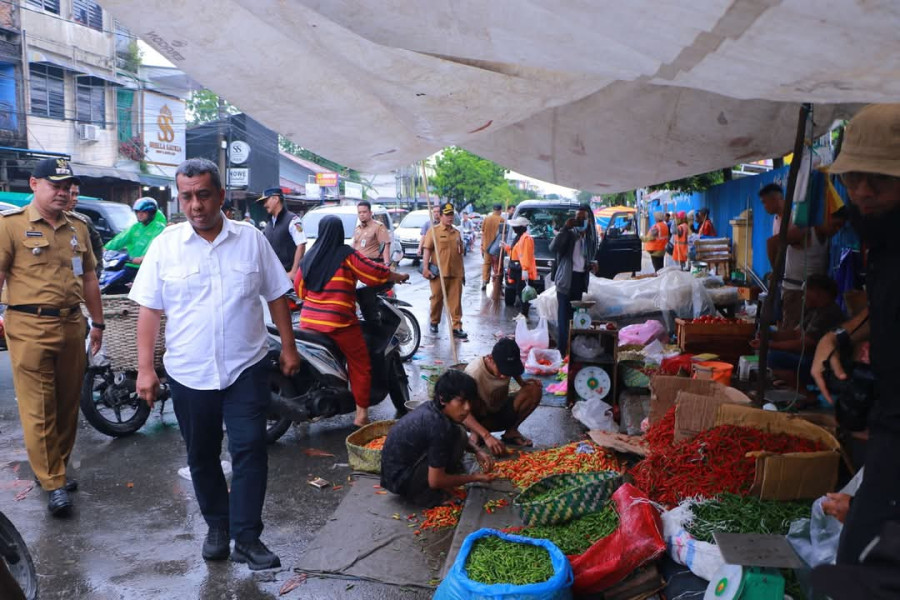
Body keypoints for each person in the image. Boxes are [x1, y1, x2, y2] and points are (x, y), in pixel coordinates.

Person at [131, 158, 301, 570]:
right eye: (186, 196)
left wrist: (290, 347)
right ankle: (218, 528)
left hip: (245, 368)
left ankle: (247, 537)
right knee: (202, 456)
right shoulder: (165, 246)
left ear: (221, 196)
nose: (195, 205)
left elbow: (277, 294)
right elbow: (149, 311)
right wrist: (145, 368)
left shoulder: (251, 240)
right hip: (189, 373)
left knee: (249, 450)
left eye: (203, 195)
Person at [810, 103, 900, 567]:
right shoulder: (882, 241)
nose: (863, 191)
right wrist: (839, 336)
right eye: (853, 177)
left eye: (880, 179)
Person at [0, 158, 104, 516]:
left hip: (72, 323)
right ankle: (54, 481)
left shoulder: (78, 227)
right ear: (33, 183)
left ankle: (53, 467)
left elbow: (89, 277)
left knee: (67, 404)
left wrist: (99, 324)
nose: (62, 192)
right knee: (39, 408)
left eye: (67, 186)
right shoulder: (10, 226)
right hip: (28, 325)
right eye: (55, 185)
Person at [295, 215, 409, 426]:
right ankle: (361, 415)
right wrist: (398, 276)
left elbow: (300, 290)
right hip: (338, 323)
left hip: (308, 322)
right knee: (360, 363)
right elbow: (373, 274)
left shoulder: (309, 256)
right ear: (340, 232)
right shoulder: (347, 255)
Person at [380, 370, 499, 507]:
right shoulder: (438, 426)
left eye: (469, 401)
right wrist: (476, 477)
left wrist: (477, 451)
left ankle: (440, 476)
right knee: (447, 446)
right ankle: (427, 496)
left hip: (397, 472)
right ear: (443, 399)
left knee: (459, 432)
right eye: (461, 401)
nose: (467, 408)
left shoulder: (434, 408)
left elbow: (458, 434)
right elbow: (435, 481)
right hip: (400, 480)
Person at [750, 274, 844, 392]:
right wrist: (770, 336)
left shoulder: (829, 313)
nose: (803, 297)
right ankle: (793, 382)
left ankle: (807, 395)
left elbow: (805, 344)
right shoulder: (815, 310)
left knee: (774, 358)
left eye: (806, 292)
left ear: (818, 293)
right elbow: (796, 333)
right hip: (811, 355)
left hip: (824, 364)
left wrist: (769, 344)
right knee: (772, 341)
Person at [463, 338, 542, 454]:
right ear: (490, 359)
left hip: (499, 410)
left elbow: (514, 371)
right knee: (469, 402)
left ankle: (511, 431)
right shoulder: (474, 373)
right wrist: (486, 436)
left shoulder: (507, 367)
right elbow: (462, 412)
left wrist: (523, 383)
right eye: (501, 371)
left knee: (534, 390)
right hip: (480, 418)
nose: (504, 376)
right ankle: (476, 433)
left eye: (508, 371)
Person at [779, 208, 848, 331]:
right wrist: (776, 270)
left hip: (814, 295)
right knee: (793, 331)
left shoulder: (826, 239)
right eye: (835, 225)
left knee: (806, 333)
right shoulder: (805, 232)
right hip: (797, 293)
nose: (836, 230)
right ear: (825, 217)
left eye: (840, 227)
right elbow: (773, 243)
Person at [549, 204, 598, 356]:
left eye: (583, 219)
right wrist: (564, 228)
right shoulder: (569, 235)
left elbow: (587, 257)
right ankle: (562, 352)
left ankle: (573, 349)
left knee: (575, 318)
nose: (581, 221)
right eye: (578, 218)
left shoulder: (590, 238)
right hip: (565, 280)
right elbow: (554, 247)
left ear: (589, 221)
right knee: (564, 318)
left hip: (579, 280)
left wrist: (592, 264)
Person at [422, 203, 467, 339]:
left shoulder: (457, 233)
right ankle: (434, 322)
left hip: (455, 272)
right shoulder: (433, 231)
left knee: (456, 301)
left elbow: (460, 254)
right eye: (447, 215)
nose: (450, 217)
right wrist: (425, 268)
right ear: (440, 216)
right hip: (438, 273)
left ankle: (457, 326)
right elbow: (427, 250)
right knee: (436, 299)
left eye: (451, 214)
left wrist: (463, 273)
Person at [257, 187, 306, 280]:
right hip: (272, 276)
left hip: (287, 276)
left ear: (275, 199)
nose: (264, 205)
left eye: (266, 201)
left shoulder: (293, 220)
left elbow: (301, 245)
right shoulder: (269, 224)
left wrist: (294, 272)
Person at [104, 197, 167, 268]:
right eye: (138, 211)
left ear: (151, 213)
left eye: (144, 212)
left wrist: (143, 258)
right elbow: (120, 238)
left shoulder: (159, 227)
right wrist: (105, 249)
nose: (140, 214)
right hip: (131, 264)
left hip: (149, 267)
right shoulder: (136, 227)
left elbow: (153, 246)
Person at [66, 183, 104, 276]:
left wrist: (97, 268)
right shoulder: (50, 219)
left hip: (78, 272)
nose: (75, 199)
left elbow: (97, 245)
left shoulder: (83, 220)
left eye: (76, 194)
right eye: (72, 194)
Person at [503, 216, 537, 315]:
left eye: (515, 226)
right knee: (520, 291)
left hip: (522, 270)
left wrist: (525, 269)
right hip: (518, 270)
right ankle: (523, 314)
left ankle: (524, 314)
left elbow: (526, 255)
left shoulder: (526, 238)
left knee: (524, 293)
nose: (513, 228)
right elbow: (516, 253)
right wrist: (507, 248)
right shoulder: (519, 238)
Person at [481, 203, 504, 290]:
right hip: (497, 247)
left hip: (487, 246)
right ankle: (497, 283)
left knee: (486, 264)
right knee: (497, 265)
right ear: (500, 210)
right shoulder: (501, 220)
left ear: (493, 209)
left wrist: (482, 244)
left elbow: (483, 232)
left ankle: (485, 281)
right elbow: (503, 234)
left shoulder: (486, 219)